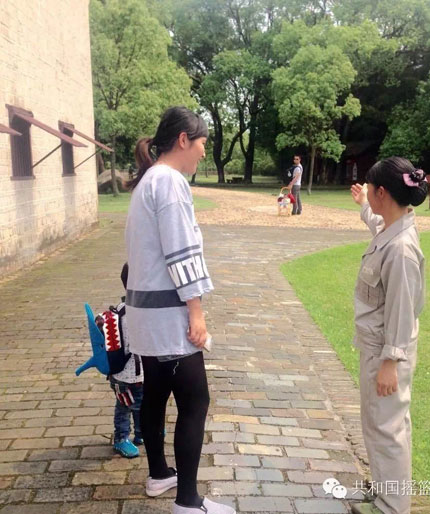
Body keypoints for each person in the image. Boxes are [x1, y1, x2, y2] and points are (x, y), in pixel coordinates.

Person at [125, 106, 235, 514]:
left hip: (145, 313)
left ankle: (159, 474)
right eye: (203, 143)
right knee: (195, 402)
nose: (204, 152)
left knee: (155, 394)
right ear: (184, 140)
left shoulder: (148, 181)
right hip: (168, 316)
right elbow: (181, 252)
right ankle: (188, 501)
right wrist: (197, 312)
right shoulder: (170, 182)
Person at [349, 157, 428, 514]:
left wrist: (390, 363)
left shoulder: (401, 249)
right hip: (377, 347)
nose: (366, 192)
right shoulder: (393, 228)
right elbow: (378, 224)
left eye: (369, 189)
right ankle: (385, 492)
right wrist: (363, 206)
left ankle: (391, 506)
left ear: (382, 192)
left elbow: (400, 309)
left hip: (387, 352)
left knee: (388, 429)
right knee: (380, 424)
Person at [109, 263, 144, 459]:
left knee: (141, 402)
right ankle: (121, 438)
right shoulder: (129, 312)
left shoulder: (126, 308)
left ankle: (141, 432)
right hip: (125, 373)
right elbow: (135, 343)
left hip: (138, 372)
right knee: (125, 406)